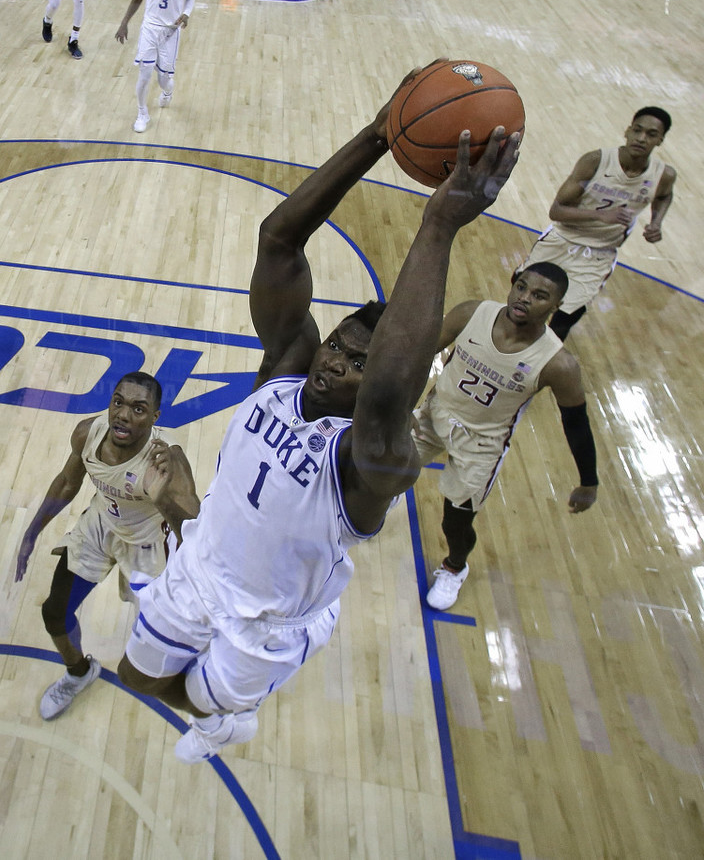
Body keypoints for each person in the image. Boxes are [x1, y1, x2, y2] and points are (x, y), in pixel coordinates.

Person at [115, 66, 522, 764]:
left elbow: (395, 388)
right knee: (137, 677)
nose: (336, 360)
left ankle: (229, 714)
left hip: (269, 623)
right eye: (339, 343)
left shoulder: (369, 460)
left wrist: (440, 225)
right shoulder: (286, 369)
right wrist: (376, 134)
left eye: (358, 362)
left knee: (214, 701)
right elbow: (277, 240)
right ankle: (223, 711)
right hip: (200, 568)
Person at [415, 262, 599, 611]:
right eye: (521, 287)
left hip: (481, 444)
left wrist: (588, 482)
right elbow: (422, 353)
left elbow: (576, 423)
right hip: (434, 413)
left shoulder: (559, 364)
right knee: (383, 468)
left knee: (455, 521)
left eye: (539, 296)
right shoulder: (473, 313)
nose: (524, 298)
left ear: (555, 307)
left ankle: (455, 566)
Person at [15, 372, 200, 720]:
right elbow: (69, 481)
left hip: (149, 549)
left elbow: (196, 530)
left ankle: (201, 686)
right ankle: (79, 673)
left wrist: (164, 499)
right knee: (54, 612)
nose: (124, 415)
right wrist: (32, 532)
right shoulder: (89, 432)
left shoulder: (166, 461)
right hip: (101, 526)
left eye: (138, 408)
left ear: (155, 417)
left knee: (159, 640)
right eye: (118, 402)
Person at [520, 107, 676, 340]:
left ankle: (537, 367)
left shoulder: (664, 175)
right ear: (627, 131)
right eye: (638, 130)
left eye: (651, 134)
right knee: (525, 307)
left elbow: (664, 195)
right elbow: (557, 211)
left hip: (599, 253)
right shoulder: (596, 161)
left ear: (660, 140)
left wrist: (657, 222)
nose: (642, 138)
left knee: (564, 322)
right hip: (562, 240)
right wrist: (601, 215)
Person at [114, 0, 195, 133]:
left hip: (170, 31)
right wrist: (124, 23)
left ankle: (168, 91)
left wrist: (186, 13)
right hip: (149, 28)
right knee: (145, 73)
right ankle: (142, 113)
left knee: (163, 79)